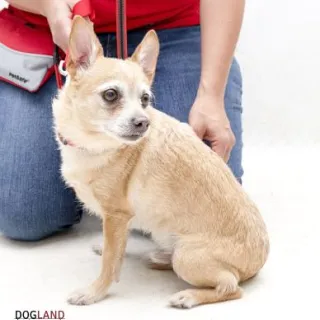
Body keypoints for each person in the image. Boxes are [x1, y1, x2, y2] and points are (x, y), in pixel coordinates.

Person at [0, 0, 245, 241]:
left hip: (170, 27)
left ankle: (111, 188)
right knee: (26, 216)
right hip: (52, 26)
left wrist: (211, 94)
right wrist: (48, 5)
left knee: (206, 211)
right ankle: (101, 188)